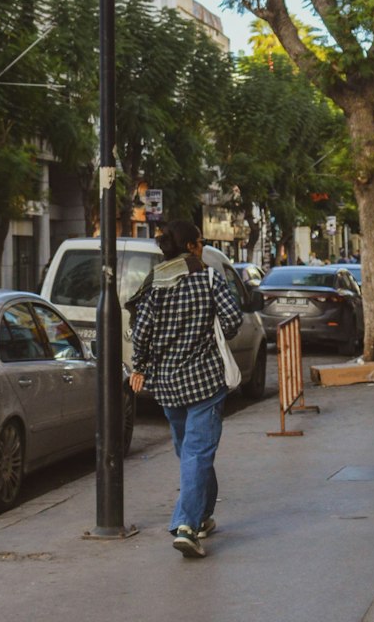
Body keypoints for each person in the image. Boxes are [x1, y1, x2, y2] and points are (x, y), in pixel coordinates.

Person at [130, 220, 242, 559]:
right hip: (205, 381)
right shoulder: (209, 278)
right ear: (192, 246)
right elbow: (234, 321)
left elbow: (141, 332)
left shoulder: (156, 283)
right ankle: (186, 526)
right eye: (202, 242)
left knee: (190, 452)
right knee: (196, 454)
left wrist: (140, 367)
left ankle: (203, 515)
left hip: (167, 385)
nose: (204, 247)